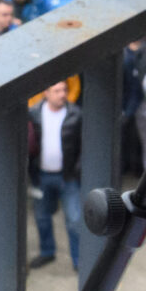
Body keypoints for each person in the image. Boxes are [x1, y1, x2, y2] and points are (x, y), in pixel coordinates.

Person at [25, 80, 83, 272]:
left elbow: (84, 145)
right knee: (42, 216)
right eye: (57, 91)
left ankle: (78, 260)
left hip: (67, 177)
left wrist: (77, 169)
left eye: (64, 90)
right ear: (46, 93)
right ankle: (47, 251)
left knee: (74, 219)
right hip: (41, 176)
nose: (62, 94)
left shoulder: (76, 114)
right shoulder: (33, 114)